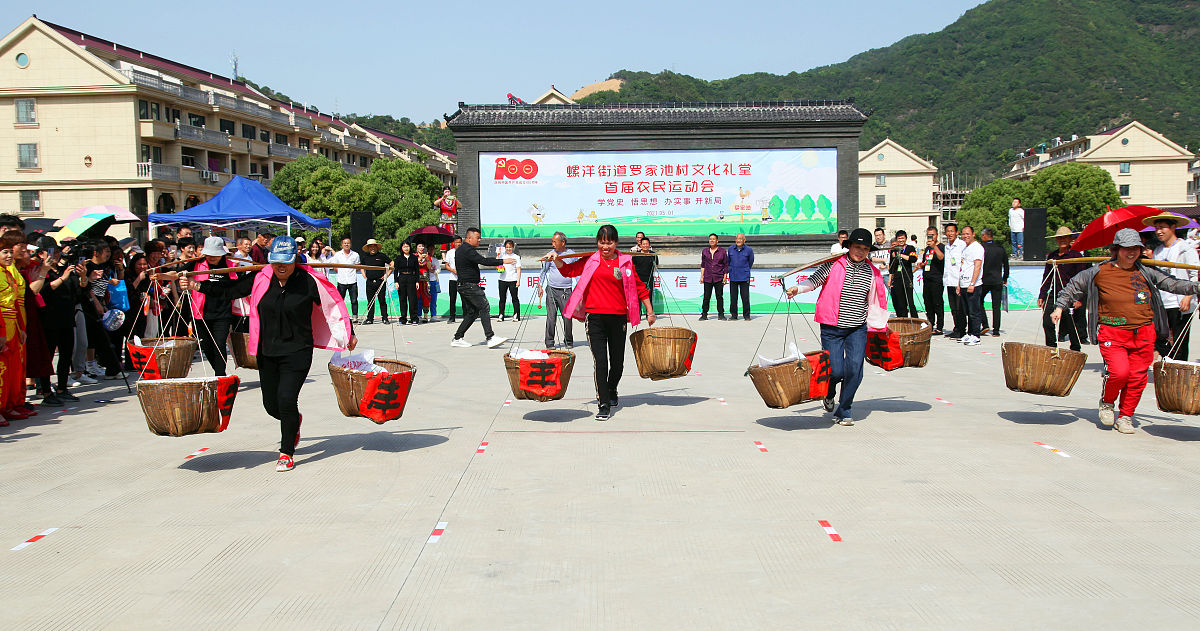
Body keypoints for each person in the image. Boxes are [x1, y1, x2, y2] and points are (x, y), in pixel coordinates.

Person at [177, 236, 356, 471]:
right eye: (276, 261)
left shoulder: (309, 281)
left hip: (297, 350)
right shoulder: (260, 278)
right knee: (271, 405)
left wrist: (349, 332)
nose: (280, 267)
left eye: (286, 262)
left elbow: (333, 306)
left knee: (286, 399)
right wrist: (196, 286)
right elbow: (229, 290)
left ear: (295, 260)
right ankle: (293, 421)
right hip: (267, 351)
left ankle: (286, 452)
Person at [1053, 228, 1200, 434]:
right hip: (1112, 332)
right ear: (1116, 249)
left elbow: (1173, 284)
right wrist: (1060, 306)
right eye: (1126, 249)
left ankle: (1126, 416)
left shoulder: (1146, 272)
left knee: (1138, 378)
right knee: (1119, 372)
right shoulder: (1099, 271)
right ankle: (1107, 402)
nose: (1131, 253)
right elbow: (1073, 287)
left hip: (1144, 332)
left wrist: (1196, 287)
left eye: (1136, 249)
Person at [543, 224, 656, 421]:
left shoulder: (625, 262)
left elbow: (640, 287)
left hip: (618, 318)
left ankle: (612, 388)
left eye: (610, 242)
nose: (606, 246)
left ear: (616, 243)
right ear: (597, 243)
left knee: (618, 363)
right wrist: (556, 260)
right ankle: (603, 403)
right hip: (594, 318)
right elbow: (569, 271)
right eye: (602, 242)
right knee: (601, 362)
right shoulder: (590, 261)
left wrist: (650, 310)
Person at [786, 228, 884, 426]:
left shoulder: (873, 272)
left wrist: (879, 325)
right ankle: (829, 392)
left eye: (865, 249)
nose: (861, 252)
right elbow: (814, 281)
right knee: (836, 371)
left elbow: (876, 301)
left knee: (855, 370)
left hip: (857, 328)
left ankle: (844, 409)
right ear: (849, 247)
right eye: (857, 247)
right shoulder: (833, 265)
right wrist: (797, 289)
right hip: (832, 327)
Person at [179, 237, 240, 376]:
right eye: (209, 254)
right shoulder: (195, 265)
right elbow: (175, 274)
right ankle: (218, 370)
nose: (212, 257)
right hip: (200, 312)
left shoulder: (229, 265)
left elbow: (237, 286)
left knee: (218, 344)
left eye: (216, 254)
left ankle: (220, 375)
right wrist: (161, 275)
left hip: (222, 313)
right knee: (206, 346)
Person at [1147, 213, 1199, 360]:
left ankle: (1179, 373)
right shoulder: (1158, 251)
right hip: (1162, 303)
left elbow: (1194, 275)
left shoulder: (1185, 248)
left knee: (1179, 342)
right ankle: (1168, 365)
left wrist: (1188, 297)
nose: (1159, 231)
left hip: (1180, 302)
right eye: (1156, 228)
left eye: (1162, 227)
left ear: (1173, 228)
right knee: (1160, 340)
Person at [450, 228, 514, 348]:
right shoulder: (467, 250)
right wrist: (503, 260)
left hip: (464, 285)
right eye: (477, 238)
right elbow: (483, 261)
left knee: (472, 313)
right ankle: (490, 337)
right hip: (469, 285)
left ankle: (458, 338)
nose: (479, 240)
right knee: (484, 306)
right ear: (469, 238)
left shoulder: (463, 249)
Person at [37, 236, 81, 402]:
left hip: (66, 317)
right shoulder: (40, 271)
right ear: (41, 254)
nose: (55, 255)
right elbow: (44, 291)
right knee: (47, 356)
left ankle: (62, 388)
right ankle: (46, 391)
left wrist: (82, 277)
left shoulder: (60, 270)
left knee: (66, 354)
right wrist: (62, 278)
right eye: (50, 252)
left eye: (56, 252)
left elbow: (76, 291)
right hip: (48, 319)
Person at [1039, 227, 1087, 352]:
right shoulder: (1052, 256)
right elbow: (1047, 278)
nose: (1062, 240)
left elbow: (1082, 279)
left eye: (1065, 238)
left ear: (1070, 239)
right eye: (1059, 238)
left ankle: (1075, 349)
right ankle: (1051, 347)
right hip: (1054, 292)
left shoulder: (1075, 256)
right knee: (1047, 322)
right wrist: (1042, 295)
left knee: (1070, 324)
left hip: (1070, 294)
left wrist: (1079, 298)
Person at [0, 232, 31, 422]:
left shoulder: (10, 272)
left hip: (14, 323)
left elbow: (17, 302)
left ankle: (11, 404)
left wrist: (21, 327)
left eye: (10, 252)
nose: (10, 256)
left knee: (14, 368)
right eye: (5, 252)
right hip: (3, 323)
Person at [539, 232, 575, 348]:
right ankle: (549, 342)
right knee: (551, 317)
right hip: (551, 290)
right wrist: (540, 285)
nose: (553, 244)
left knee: (567, 317)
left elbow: (578, 272)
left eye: (555, 241)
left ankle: (568, 341)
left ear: (563, 242)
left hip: (566, 291)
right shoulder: (550, 255)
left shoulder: (571, 255)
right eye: (552, 241)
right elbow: (544, 271)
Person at [978, 228, 1009, 336]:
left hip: (985, 280)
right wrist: (1005, 278)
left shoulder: (982, 248)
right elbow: (1006, 264)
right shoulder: (1000, 248)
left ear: (985, 236)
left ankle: (985, 324)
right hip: (997, 280)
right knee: (996, 306)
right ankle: (996, 330)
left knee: (979, 300)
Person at [957, 226, 985, 346]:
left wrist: (972, 283)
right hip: (963, 284)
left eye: (968, 234)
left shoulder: (977, 248)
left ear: (973, 234)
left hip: (973, 285)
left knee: (974, 311)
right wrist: (959, 285)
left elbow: (977, 266)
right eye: (963, 234)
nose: (965, 236)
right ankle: (969, 334)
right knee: (967, 311)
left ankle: (976, 335)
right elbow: (962, 267)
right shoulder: (965, 248)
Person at [942, 223, 967, 339]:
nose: (950, 233)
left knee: (959, 307)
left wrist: (960, 282)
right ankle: (956, 327)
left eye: (952, 231)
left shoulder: (961, 245)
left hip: (958, 281)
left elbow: (963, 264)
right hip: (949, 281)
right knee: (953, 308)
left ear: (957, 233)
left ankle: (962, 329)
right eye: (948, 231)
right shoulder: (947, 246)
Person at [918, 227, 945, 334]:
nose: (930, 237)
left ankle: (939, 326)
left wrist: (935, 246)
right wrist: (921, 265)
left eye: (932, 235)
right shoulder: (928, 248)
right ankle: (930, 324)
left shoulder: (941, 247)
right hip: (927, 278)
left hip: (936, 279)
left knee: (937, 303)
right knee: (928, 303)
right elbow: (926, 262)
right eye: (929, 235)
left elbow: (941, 257)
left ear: (937, 235)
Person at [887, 230, 918, 318]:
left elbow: (913, 259)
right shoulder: (894, 249)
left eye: (902, 238)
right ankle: (903, 320)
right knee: (900, 302)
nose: (901, 240)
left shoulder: (910, 248)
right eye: (899, 239)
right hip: (897, 278)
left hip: (907, 277)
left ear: (906, 239)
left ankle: (915, 320)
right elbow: (892, 266)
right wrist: (890, 279)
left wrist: (900, 255)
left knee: (910, 301)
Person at [361, 239, 391, 325]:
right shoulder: (365, 256)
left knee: (382, 300)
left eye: (374, 246)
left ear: (376, 247)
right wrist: (364, 275)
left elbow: (392, 264)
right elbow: (361, 266)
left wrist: (386, 275)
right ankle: (370, 318)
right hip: (370, 281)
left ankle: (385, 318)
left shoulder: (382, 256)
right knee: (370, 301)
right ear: (368, 248)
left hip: (380, 281)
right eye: (370, 246)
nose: (372, 248)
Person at [330, 238, 361, 321]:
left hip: (352, 280)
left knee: (354, 300)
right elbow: (334, 266)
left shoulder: (355, 255)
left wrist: (352, 272)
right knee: (340, 300)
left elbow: (358, 266)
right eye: (345, 243)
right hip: (341, 281)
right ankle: (340, 316)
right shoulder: (337, 255)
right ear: (342, 244)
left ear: (350, 244)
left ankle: (355, 316)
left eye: (348, 243)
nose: (346, 245)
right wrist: (341, 272)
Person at [700, 233, 728, 321]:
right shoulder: (705, 251)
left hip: (718, 277)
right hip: (708, 277)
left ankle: (721, 314)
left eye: (713, 239)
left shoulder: (722, 251)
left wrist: (725, 277)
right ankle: (704, 314)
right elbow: (703, 265)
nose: (712, 240)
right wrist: (702, 276)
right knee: (706, 297)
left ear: (717, 241)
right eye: (710, 239)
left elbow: (726, 265)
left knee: (719, 296)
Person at [727, 233, 754, 321]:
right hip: (733, 276)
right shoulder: (731, 249)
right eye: (737, 238)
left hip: (744, 276)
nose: (738, 240)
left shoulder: (749, 250)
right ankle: (734, 315)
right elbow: (728, 261)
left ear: (744, 240)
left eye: (741, 239)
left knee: (745, 297)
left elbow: (750, 262)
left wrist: (745, 269)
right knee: (733, 297)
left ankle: (747, 316)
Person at [392, 241, 420, 325]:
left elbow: (417, 270)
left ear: (410, 247)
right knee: (403, 299)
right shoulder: (398, 258)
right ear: (401, 248)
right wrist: (396, 281)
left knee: (412, 299)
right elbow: (396, 270)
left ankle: (414, 318)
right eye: (404, 247)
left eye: (407, 246)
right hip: (402, 278)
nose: (406, 248)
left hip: (411, 278)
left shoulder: (414, 258)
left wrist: (417, 281)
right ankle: (403, 318)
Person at [631, 236, 659, 317]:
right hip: (638, 279)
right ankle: (638, 314)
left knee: (649, 296)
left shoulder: (653, 254)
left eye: (647, 244)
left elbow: (655, 266)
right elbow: (633, 265)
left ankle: (649, 314)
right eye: (644, 244)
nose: (645, 245)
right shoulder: (636, 254)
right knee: (638, 297)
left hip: (649, 278)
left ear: (649, 245)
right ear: (641, 245)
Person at [496, 239, 522, 321]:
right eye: (507, 247)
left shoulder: (516, 257)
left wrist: (518, 280)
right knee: (502, 298)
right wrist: (498, 255)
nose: (508, 249)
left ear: (513, 247)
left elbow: (518, 269)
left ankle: (516, 315)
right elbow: (497, 264)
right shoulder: (502, 256)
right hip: (502, 279)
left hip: (513, 279)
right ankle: (501, 315)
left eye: (510, 247)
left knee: (514, 298)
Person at [416, 243, 440, 323]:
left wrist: (426, 259)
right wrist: (419, 258)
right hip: (417, 280)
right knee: (418, 298)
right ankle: (418, 315)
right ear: (416, 248)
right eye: (419, 246)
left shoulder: (429, 258)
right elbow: (413, 265)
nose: (421, 248)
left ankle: (427, 315)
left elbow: (429, 267)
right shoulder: (414, 256)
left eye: (423, 246)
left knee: (427, 297)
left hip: (426, 280)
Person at [444, 235, 462, 323]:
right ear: (453, 243)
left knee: (465, 298)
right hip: (453, 278)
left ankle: (466, 315)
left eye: (459, 242)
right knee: (452, 298)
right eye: (456, 242)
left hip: (463, 279)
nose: (458, 244)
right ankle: (452, 316)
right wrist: (452, 270)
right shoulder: (450, 252)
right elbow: (446, 265)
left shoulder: (464, 252)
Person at [870, 228, 891, 295]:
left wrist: (885, 264)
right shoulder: (873, 246)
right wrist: (883, 260)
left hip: (888, 274)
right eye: (876, 235)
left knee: (893, 292)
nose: (878, 237)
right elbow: (871, 258)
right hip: (877, 274)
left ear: (884, 235)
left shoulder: (890, 245)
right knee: (878, 294)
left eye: (880, 235)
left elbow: (891, 258)